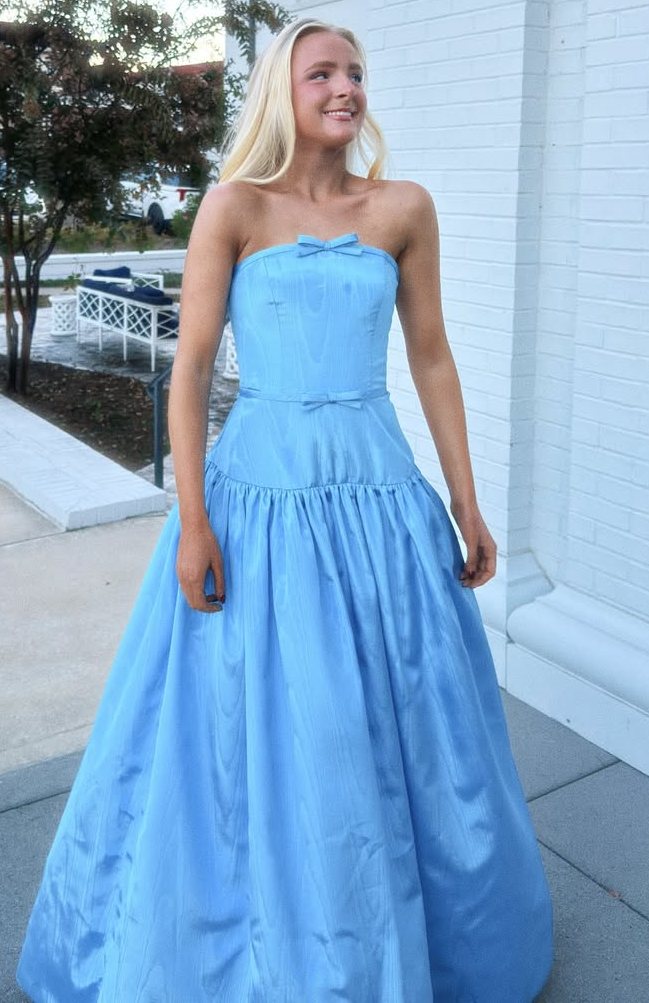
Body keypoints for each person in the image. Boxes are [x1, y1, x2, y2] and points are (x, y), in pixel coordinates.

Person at [16, 17, 554, 1002]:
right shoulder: (233, 207)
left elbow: (431, 356)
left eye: (355, 72)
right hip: (258, 501)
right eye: (322, 73)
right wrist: (192, 521)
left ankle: (405, 940)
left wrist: (467, 501)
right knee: (267, 725)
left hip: (378, 495)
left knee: (392, 717)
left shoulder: (403, 208)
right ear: (283, 90)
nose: (345, 87)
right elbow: (188, 370)